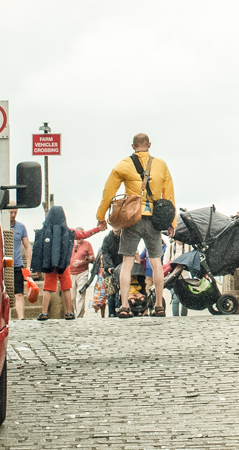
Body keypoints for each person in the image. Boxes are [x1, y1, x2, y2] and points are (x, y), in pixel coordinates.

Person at [96, 133, 176, 318]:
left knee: (126, 263)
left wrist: (101, 216)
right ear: (149, 144)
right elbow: (169, 195)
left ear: (133, 146)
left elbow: (108, 192)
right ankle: (158, 305)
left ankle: (124, 306)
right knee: (156, 262)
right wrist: (172, 222)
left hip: (131, 219)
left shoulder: (124, 164)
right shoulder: (161, 165)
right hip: (154, 220)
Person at [31, 205, 76, 321]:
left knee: (48, 289)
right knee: (66, 288)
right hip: (63, 265)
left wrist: (38, 268)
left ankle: (44, 313)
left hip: (49, 265)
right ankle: (69, 313)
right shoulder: (66, 231)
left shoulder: (45, 231)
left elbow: (38, 249)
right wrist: (97, 229)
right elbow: (81, 234)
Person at [69, 225, 104, 318]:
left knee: (80, 295)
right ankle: (74, 312)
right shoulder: (70, 243)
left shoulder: (87, 244)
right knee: (72, 296)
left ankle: (79, 316)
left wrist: (83, 262)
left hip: (82, 272)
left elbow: (93, 259)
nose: (80, 238)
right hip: (70, 272)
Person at [9, 207, 32, 319]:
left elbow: (27, 247)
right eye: (11, 212)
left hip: (17, 264)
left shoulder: (21, 227)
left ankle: (21, 318)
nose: (13, 215)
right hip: (3, 265)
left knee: (19, 293)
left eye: (15, 212)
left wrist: (28, 266)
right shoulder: (0, 225)